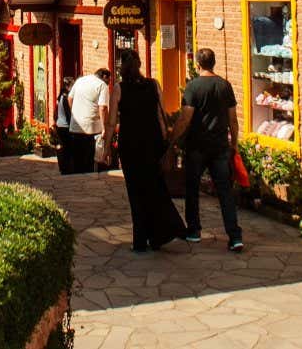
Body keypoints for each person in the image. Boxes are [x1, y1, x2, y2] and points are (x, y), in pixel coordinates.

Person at [104, 49, 186, 252]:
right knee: (155, 187)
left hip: (131, 145)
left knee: (136, 191)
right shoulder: (153, 84)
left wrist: (106, 147)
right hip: (153, 143)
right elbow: (161, 115)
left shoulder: (119, 89)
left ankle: (140, 240)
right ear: (139, 65)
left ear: (122, 67)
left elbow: (111, 121)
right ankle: (159, 234)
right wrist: (165, 141)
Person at [168, 48, 243, 252]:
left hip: (197, 146)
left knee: (192, 189)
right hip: (219, 146)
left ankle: (194, 230)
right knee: (225, 192)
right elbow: (233, 119)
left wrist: (173, 139)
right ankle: (234, 235)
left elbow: (185, 118)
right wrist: (234, 144)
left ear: (198, 64)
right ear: (214, 62)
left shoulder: (193, 87)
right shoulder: (224, 85)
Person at [66, 68, 111, 174]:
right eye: (109, 80)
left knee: (78, 160)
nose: (109, 84)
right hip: (91, 130)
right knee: (90, 161)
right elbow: (103, 107)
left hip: (75, 127)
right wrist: (104, 128)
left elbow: (70, 98)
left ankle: (76, 181)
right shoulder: (102, 85)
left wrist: (75, 114)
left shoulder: (80, 80)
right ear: (104, 77)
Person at [54, 76, 76, 175]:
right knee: (68, 148)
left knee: (62, 147)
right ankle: (66, 168)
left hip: (59, 125)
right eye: (72, 86)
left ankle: (63, 167)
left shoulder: (60, 96)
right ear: (68, 86)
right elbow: (68, 114)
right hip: (65, 126)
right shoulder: (66, 97)